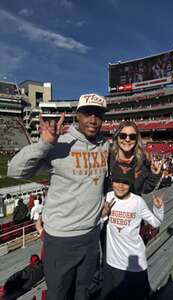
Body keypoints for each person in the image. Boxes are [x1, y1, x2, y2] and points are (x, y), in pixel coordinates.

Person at [7, 93, 109, 300]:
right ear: (77, 116)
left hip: (91, 237)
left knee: (83, 293)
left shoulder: (105, 145)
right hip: (61, 240)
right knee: (59, 295)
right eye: (87, 113)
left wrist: (104, 201)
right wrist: (44, 145)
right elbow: (15, 171)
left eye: (98, 114)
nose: (93, 120)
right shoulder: (60, 144)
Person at [100, 164, 164, 300]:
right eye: (117, 181)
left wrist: (158, 208)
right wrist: (103, 215)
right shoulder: (107, 197)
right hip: (113, 262)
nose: (120, 186)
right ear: (112, 181)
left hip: (135, 264)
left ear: (131, 183)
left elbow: (156, 222)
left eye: (125, 182)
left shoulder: (138, 201)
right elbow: (96, 224)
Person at [109, 120, 162, 195]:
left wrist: (154, 175)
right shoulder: (107, 157)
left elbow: (144, 189)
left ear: (137, 140)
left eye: (132, 137)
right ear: (117, 137)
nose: (127, 139)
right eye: (123, 136)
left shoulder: (142, 160)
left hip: (132, 205)